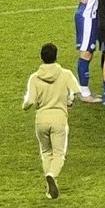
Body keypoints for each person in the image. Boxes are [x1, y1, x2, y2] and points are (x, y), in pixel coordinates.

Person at [22, 43, 82, 199]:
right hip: (59, 119)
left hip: (41, 120)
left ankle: (50, 188)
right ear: (56, 56)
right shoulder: (65, 74)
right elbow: (76, 93)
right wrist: (69, 102)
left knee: (46, 152)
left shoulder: (34, 78)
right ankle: (52, 175)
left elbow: (29, 102)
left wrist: (24, 106)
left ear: (41, 57)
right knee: (59, 154)